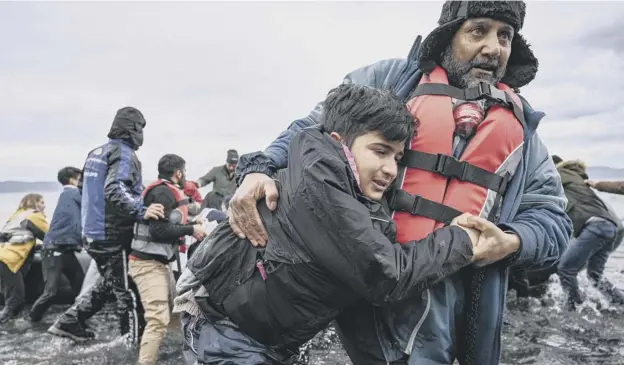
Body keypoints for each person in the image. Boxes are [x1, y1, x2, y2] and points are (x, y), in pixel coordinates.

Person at [228, 2, 572, 364]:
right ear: (447, 35)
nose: (493, 48)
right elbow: (308, 129)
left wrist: (512, 242)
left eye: (505, 36)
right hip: (367, 299)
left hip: (455, 314)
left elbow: (554, 221)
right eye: (478, 30)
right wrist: (258, 168)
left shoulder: (525, 134)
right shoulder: (387, 81)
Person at [175, 84, 484, 365]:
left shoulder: (347, 191)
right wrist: (463, 239)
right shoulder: (318, 184)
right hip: (224, 328)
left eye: (398, 158)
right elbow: (385, 274)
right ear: (340, 142)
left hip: (258, 336)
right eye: (380, 151)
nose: (390, 169)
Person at [49, 106, 165, 343]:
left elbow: (86, 190)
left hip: (91, 233)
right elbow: (115, 189)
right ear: (134, 128)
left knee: (110, 282)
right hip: (112, 235)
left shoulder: (95, 153)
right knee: (128, 293)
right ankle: (133, 344)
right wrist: (142, 209)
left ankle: (69, 321)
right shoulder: (124, 154)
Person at [129, 154, 209, 365]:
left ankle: (178, 357)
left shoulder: (162, 191)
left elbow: (168, 221)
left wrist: (192, 221)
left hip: (160, 263)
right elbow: (158, 230)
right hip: (146, 264)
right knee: (158, 318)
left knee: (175, 315)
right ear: (179, 173)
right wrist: (192, 229)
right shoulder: (163, 192)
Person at [553, 155, 624, 309]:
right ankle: (620, 302)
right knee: (595, 276)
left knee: (566, 269)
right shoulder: (577, 179)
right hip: (610, 227)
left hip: (596, 227)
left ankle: (574, 308)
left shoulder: (557, 175)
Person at [29, 167, 86, 322]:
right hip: (54, 249)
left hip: (66, 249)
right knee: (50, 292)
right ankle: (31, 320)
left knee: (80, 285)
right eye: (81, 178)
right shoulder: (72, 193)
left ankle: (74, 319)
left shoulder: (69, 195)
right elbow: (95, 202)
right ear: (73, 180)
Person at [0, 194, 49, 323]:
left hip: (3, 257)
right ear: (34, 203)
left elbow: (17, 237)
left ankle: (10, 325)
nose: (45, 206)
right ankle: (6, 327)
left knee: (12, 298)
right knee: (16, 301)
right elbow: (50, 236)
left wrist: (36, 246)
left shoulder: (16, 216)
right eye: (42, 202)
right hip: (9, 262)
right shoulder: (35, 216)